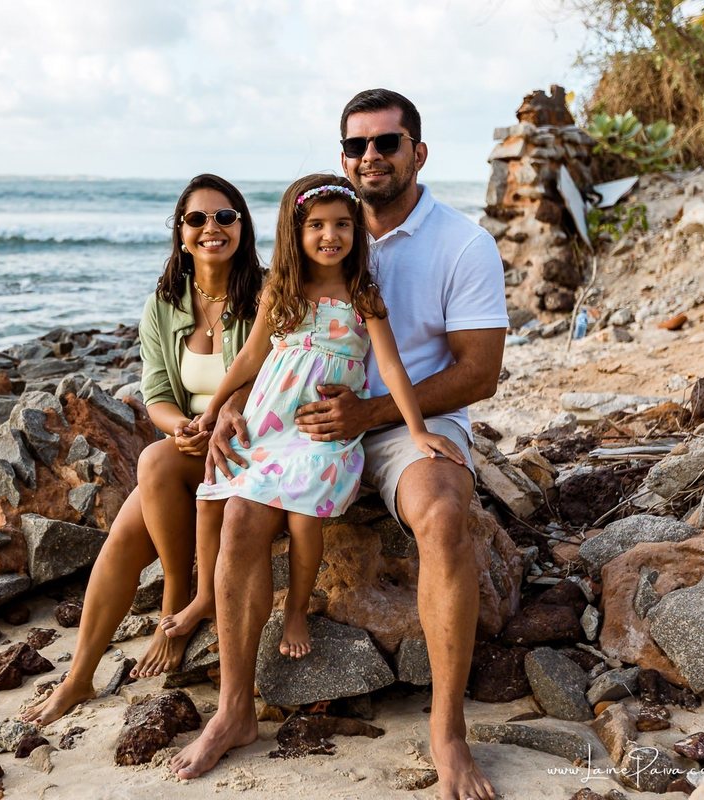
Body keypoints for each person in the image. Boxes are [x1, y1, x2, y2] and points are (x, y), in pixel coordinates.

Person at [172, 90, 507, 800]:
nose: (372, 157)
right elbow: (267, 348)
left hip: (408, 416)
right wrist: (228, 404)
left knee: (444, 514)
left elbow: (480, 372)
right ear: (342, 160)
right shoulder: (325, 242)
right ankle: (235, 711)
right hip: (307, 420)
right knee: (239, 517)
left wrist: (378, 415)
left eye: (388, 143)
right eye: (357, 146)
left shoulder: (463, 243)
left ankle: (447, 733)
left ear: (418, 151)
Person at [158, 174, 465, 661]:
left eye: (343, 224)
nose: (330, 235)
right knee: (212, 492)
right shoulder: (281, 290)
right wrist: (214, 409)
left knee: (304, 518)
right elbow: (248, 359)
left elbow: (390, 366)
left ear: (356, 230)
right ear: (295, 234)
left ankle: (297, 609)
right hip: (268, 419)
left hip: (318, 429)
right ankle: (202, 597)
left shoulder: (363, 295)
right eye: (316, 225)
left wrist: (417, 430)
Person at [21, 174, 264, 726]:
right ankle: (79, 677)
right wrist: (182, 426)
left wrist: (227, 412)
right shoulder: (164, 304)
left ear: (242, 227)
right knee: (126, 532)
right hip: (192, 442)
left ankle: (174, 603)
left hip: (254, 438)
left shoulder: (266, 294)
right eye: (197, 219)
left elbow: (279, 371)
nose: (212, 228)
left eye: (225, 217)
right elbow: (156, 396)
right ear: (181, 234)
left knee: (152, 461)